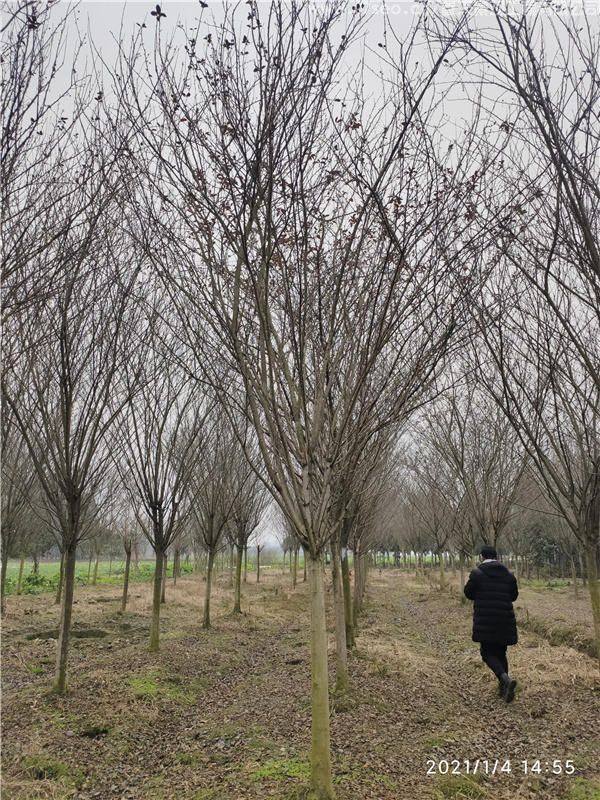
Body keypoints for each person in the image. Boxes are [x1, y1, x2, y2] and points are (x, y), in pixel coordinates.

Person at [464, 545, 519, 703]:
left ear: (482, 557)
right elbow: (514, 596)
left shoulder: (478, 574)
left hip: (486, 620)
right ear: (496, 557)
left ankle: (505, 679)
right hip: (505, 620)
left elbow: (468, 593)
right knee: (501, 653)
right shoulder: (508, 575)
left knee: (487, 653)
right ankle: (504, 691)